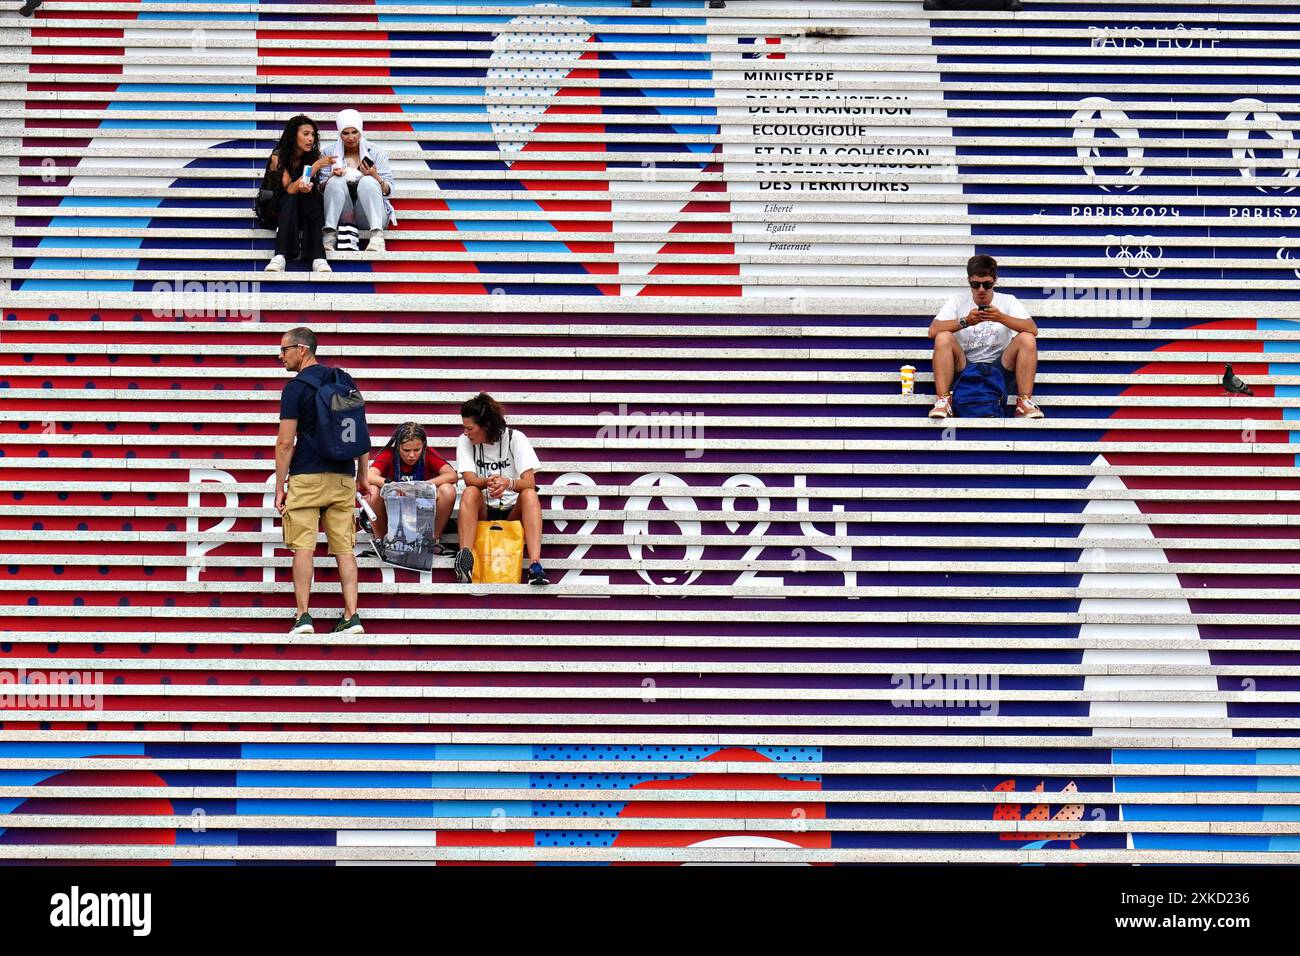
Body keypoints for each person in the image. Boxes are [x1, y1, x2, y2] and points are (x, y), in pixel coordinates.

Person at [275, 327, 370, 634]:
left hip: (306, 476)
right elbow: (360, 432)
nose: (280, 357)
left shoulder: (295, 389)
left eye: (284, 350)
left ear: (302, 349)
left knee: (303, 546)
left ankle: (303, 616)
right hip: (343, 476)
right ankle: (351, 615)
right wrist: (363, 475)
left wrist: (280, 486)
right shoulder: (343, 381)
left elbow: (285, 443)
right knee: (344, 548)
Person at [927, 254, 1043, 419]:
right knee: (943, 336)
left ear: (995, 281)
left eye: (986, 284)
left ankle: (1024, 402)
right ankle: (944, 400)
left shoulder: (1008, 301)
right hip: (965, 367)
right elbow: (933, 331)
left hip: (1000, 368)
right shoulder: (957, 301)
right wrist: (965, 321)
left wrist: (1000, 317)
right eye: (976, 284)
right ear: (969, 281)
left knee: (1027, 338)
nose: (981, 289)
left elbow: (1032, 328)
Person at [454, 393, 549, 586]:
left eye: (470, 428)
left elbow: (530, 482)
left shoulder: (515, 438)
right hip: (483, 511)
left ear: (486, 426)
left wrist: (508, 483)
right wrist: (488, 482)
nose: (465, 432)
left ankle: (535, 566)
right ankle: (465, 559)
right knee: (470, 491)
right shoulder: (464, 441)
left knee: (530, 494)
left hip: (512, 513)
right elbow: (470, 479)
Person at [364, 421, 458, 551]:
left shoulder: (428, 454)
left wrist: (422, 485)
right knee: (372, 491)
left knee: (448, 490)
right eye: (406, 450)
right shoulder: (389, 454)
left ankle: (432, 541)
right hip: (392, 511)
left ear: (423, 446)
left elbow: (451, 475)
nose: (412, 455)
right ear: (398, 447)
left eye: (416, 450)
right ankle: (380, 540)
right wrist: (392, 485)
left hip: (421, 511)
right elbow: (368, 476)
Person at [319, 109, 396, 254]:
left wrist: (375, 176)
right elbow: (320, 188)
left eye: (354, 132)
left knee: (367, 180)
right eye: (345, 133)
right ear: (339, 133)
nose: (350, 138)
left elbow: (389, 190)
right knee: (335, 181)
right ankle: (329, 236)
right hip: (341, 214)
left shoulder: (375, 152)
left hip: (369, 215)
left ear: (361, 131)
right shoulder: (329, 153)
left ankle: (377, 237)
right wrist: (331, 176)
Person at [263, 115, 333, 273]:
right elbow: (289, 188)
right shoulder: (278, 156)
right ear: (294, 135)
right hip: (278, 209)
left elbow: (316, 185)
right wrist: (316, 166)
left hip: (306, 209)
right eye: (306, 134)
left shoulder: (313, 155)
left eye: (313, 135)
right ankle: (280, 256)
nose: (311, 139)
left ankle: (318, 258)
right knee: (291, 198)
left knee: (310, 196)